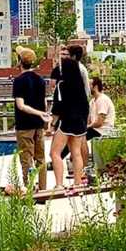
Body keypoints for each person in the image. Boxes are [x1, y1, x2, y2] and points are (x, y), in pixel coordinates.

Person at [50, 53, 90, 189]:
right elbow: (86, 106)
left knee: (55, 153)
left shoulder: (61, 86)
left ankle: (59, 184)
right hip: (79, 123)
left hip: (65, 123)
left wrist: (50, 125)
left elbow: (56, 108)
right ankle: (77, 183)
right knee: (76, 152)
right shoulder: (80, 86)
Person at [11, 48, 48, 191]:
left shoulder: (19, 81)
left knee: (26, 158)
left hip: (24, 125)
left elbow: (20, 105)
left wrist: (36, 112)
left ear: (20, 61)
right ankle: (43, 189)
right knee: (41, 158)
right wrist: (41, 114)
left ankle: (30, 189)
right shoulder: (40, 80)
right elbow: (44, 103)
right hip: (38, 125)